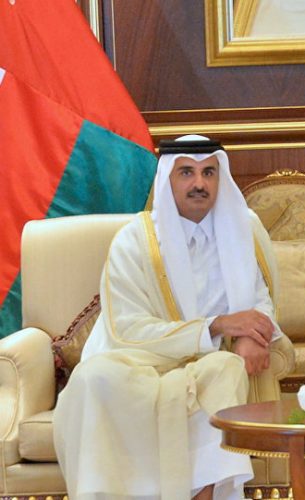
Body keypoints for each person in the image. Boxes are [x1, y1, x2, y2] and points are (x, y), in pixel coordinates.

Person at [53, 135, 284, 500]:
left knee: (226, 369)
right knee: (93, 378)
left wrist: (250, 335)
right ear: (167, 179)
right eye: (186, 172)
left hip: (208, 362)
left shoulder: (245, 229)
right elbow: (127, 328)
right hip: (137, 361)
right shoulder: (133, 240)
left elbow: (261, 300)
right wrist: (218, 325)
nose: (199, 183)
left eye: (209, 173)